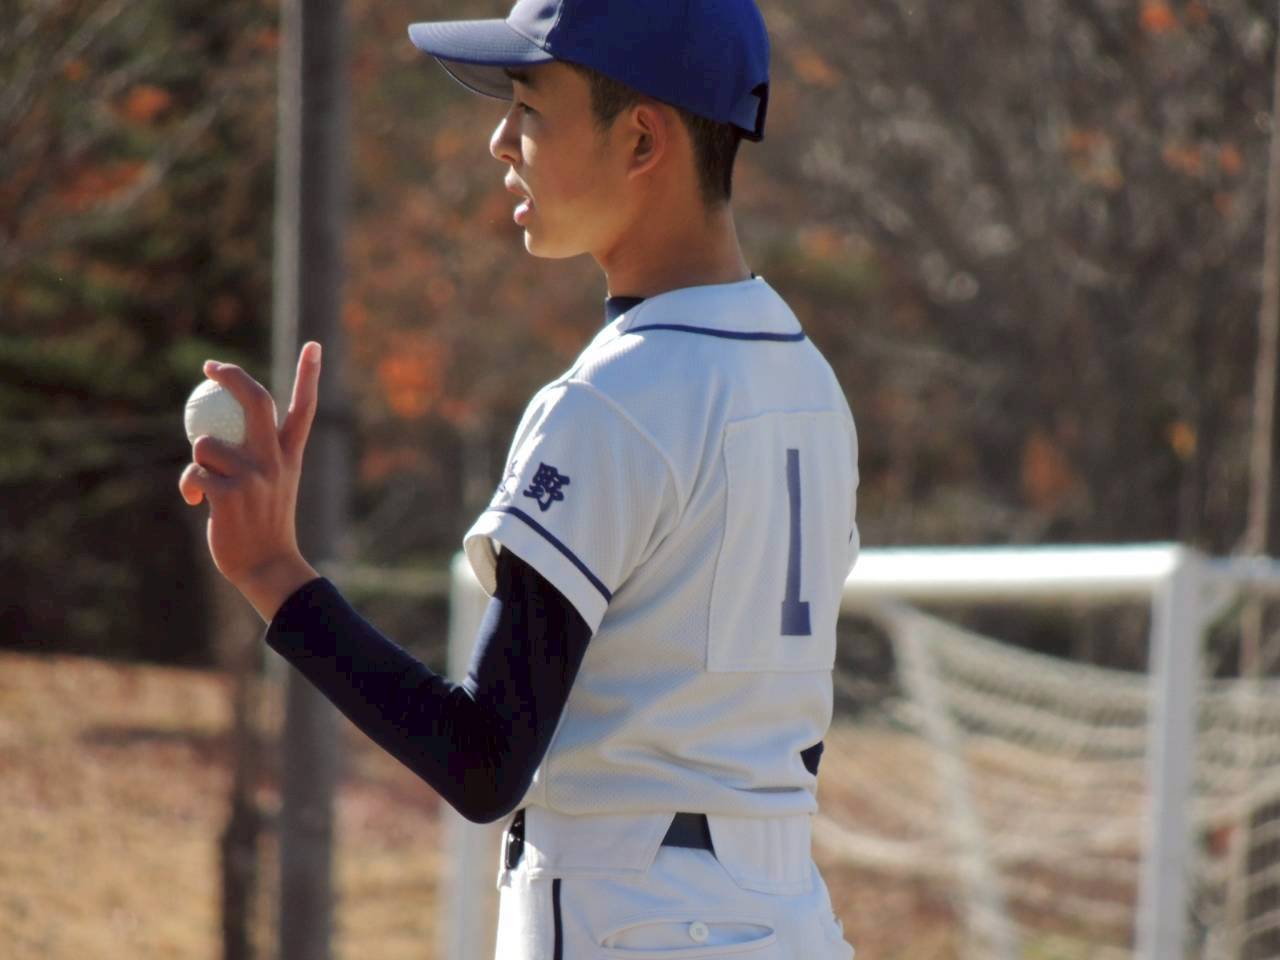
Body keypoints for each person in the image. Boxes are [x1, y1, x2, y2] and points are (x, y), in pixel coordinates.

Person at [179, 0, 859, 955]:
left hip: (633, 920)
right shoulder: (811, 382)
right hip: (793, 918)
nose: (501, 140)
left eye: (532, 108)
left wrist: (272, 573)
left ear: (642, 139)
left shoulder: (613, 395)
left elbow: (483, 759)